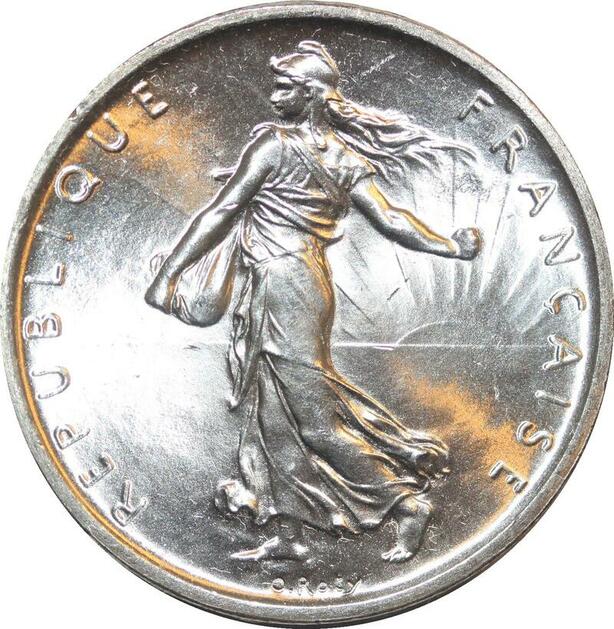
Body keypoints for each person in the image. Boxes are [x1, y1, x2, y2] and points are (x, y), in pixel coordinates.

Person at [146, 41, 480, 563]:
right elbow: (392, 220)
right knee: (271, 416)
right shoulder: (344, 159)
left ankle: (406, 503)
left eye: (285, 87)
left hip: (285, 285)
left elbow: (222, 211)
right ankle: (290, 534)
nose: (273, 95)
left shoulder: (275, 146)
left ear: (312, 95)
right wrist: (450, 246)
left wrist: (169, 274)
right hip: (293, 281)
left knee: (315, 422)